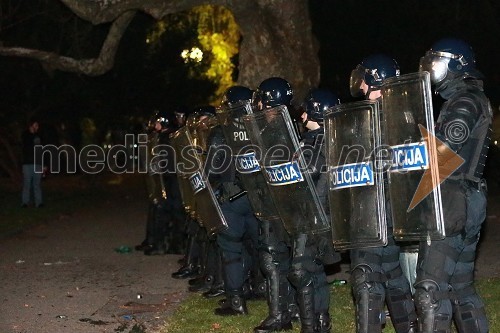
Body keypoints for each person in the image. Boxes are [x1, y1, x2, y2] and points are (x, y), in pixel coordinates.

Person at [414, 38, 491, 333]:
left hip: (452, 198)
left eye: (435, 62)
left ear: (456, 64)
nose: (430, 69)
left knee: (430, 291)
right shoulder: (467, 97)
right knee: (460, 289)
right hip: (467, 197)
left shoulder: (465, 100)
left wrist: (408, 147)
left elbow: (446, 147)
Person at [348, 54, 417, 333]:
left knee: (365, 275)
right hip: (395, 209)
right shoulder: (407, 110)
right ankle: (408, 326)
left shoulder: (372, 116)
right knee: (391, 271)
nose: (360, 85)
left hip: (374, 206)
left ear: (373, 79)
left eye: (364, 78)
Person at [287, 88, 341, 333]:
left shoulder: (325, 141)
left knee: (301, 270)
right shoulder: (309, 139)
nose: (302, 115)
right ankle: (320, 322)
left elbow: (307, 174)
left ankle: (311, 326)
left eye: (305, 110)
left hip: (317, 214)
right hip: (310, 213)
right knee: (313, 269)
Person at [209, 86, 261, 316]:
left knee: (231, 249)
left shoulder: (222, 132)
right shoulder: (261, 128)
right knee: (259, 246)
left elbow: (211, 169)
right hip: (259, 199)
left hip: (231, 199)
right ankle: (259, 287)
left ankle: (237, 300)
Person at [251, 77, 298, 333]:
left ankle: (280, 315)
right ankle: (291, 309)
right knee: (284, 259)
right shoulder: (287, 125)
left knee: (275, 259)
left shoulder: (279, 129)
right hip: (282, 204)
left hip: (279, 204)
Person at [21, 118, 44, 208]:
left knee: (37, 184)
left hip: (37, 163)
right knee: (27, 183)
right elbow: (26, 144)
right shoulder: (25, 134)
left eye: (38, 126)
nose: (37, 127)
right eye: (35, 125)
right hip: (27, 163)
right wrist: (32, 133)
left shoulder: (39, 136)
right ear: (31, 126)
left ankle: (39, 202)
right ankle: (25, 202)